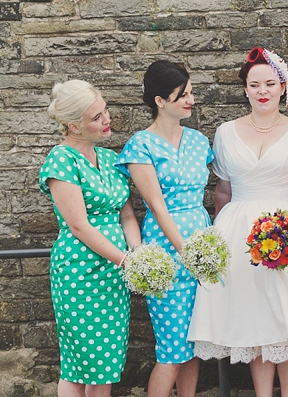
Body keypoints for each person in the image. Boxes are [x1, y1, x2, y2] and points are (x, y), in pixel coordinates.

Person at [187, 47, 288, 397]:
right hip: (238, 231)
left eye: (270, 83)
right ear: (245, 89)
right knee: (254, 318)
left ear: (283, 86)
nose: (262, 91)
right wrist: (218, 234)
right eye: (254, 84)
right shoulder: (225, 132)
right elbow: (223, 191)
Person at [115, 60, 212, 397]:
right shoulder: (141, 145)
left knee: (195, 345)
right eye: (182, 95)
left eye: (191, 92)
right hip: (169, 253)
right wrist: (189, 255)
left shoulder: (200, 142)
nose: (191, 100)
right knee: (171, 349)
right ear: (160, 101)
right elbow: (156, 205)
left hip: (202, 241)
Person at [39, 80, 141, 397]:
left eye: (105, 110)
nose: (107, 119)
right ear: (74, 126)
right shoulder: (61, 161)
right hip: (80, 274)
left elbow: (126, 216)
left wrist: (137, 254)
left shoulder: (111, 160)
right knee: (81, 367)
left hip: (115, 275)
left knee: (105, 366)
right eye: (97, 117)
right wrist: (125, 260)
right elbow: (80, 226)